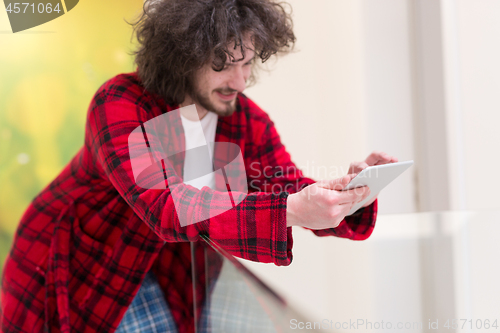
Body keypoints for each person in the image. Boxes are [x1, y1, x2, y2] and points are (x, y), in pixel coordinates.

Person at [0, 0, 398, 332]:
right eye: (223, 63)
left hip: (176, 263)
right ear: (181, 54)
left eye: (248, 63)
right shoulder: (120, 104)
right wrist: (291, 209)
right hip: (85, 261)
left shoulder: (243, 119)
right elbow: (166, 205)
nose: (239, 81)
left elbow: (284, 184)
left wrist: (349, 194)